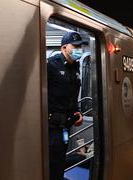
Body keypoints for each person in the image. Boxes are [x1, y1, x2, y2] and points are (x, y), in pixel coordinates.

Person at [47, 31, 87, 180]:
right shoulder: (51, 66)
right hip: (51, 126)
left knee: (59, 161)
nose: (79, 49)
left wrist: (77, 112)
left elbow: (72, 95)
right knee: (52, 162)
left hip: (66, 125)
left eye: (80, 46)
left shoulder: (75, 68)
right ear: (64, 48)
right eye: (75, 46)